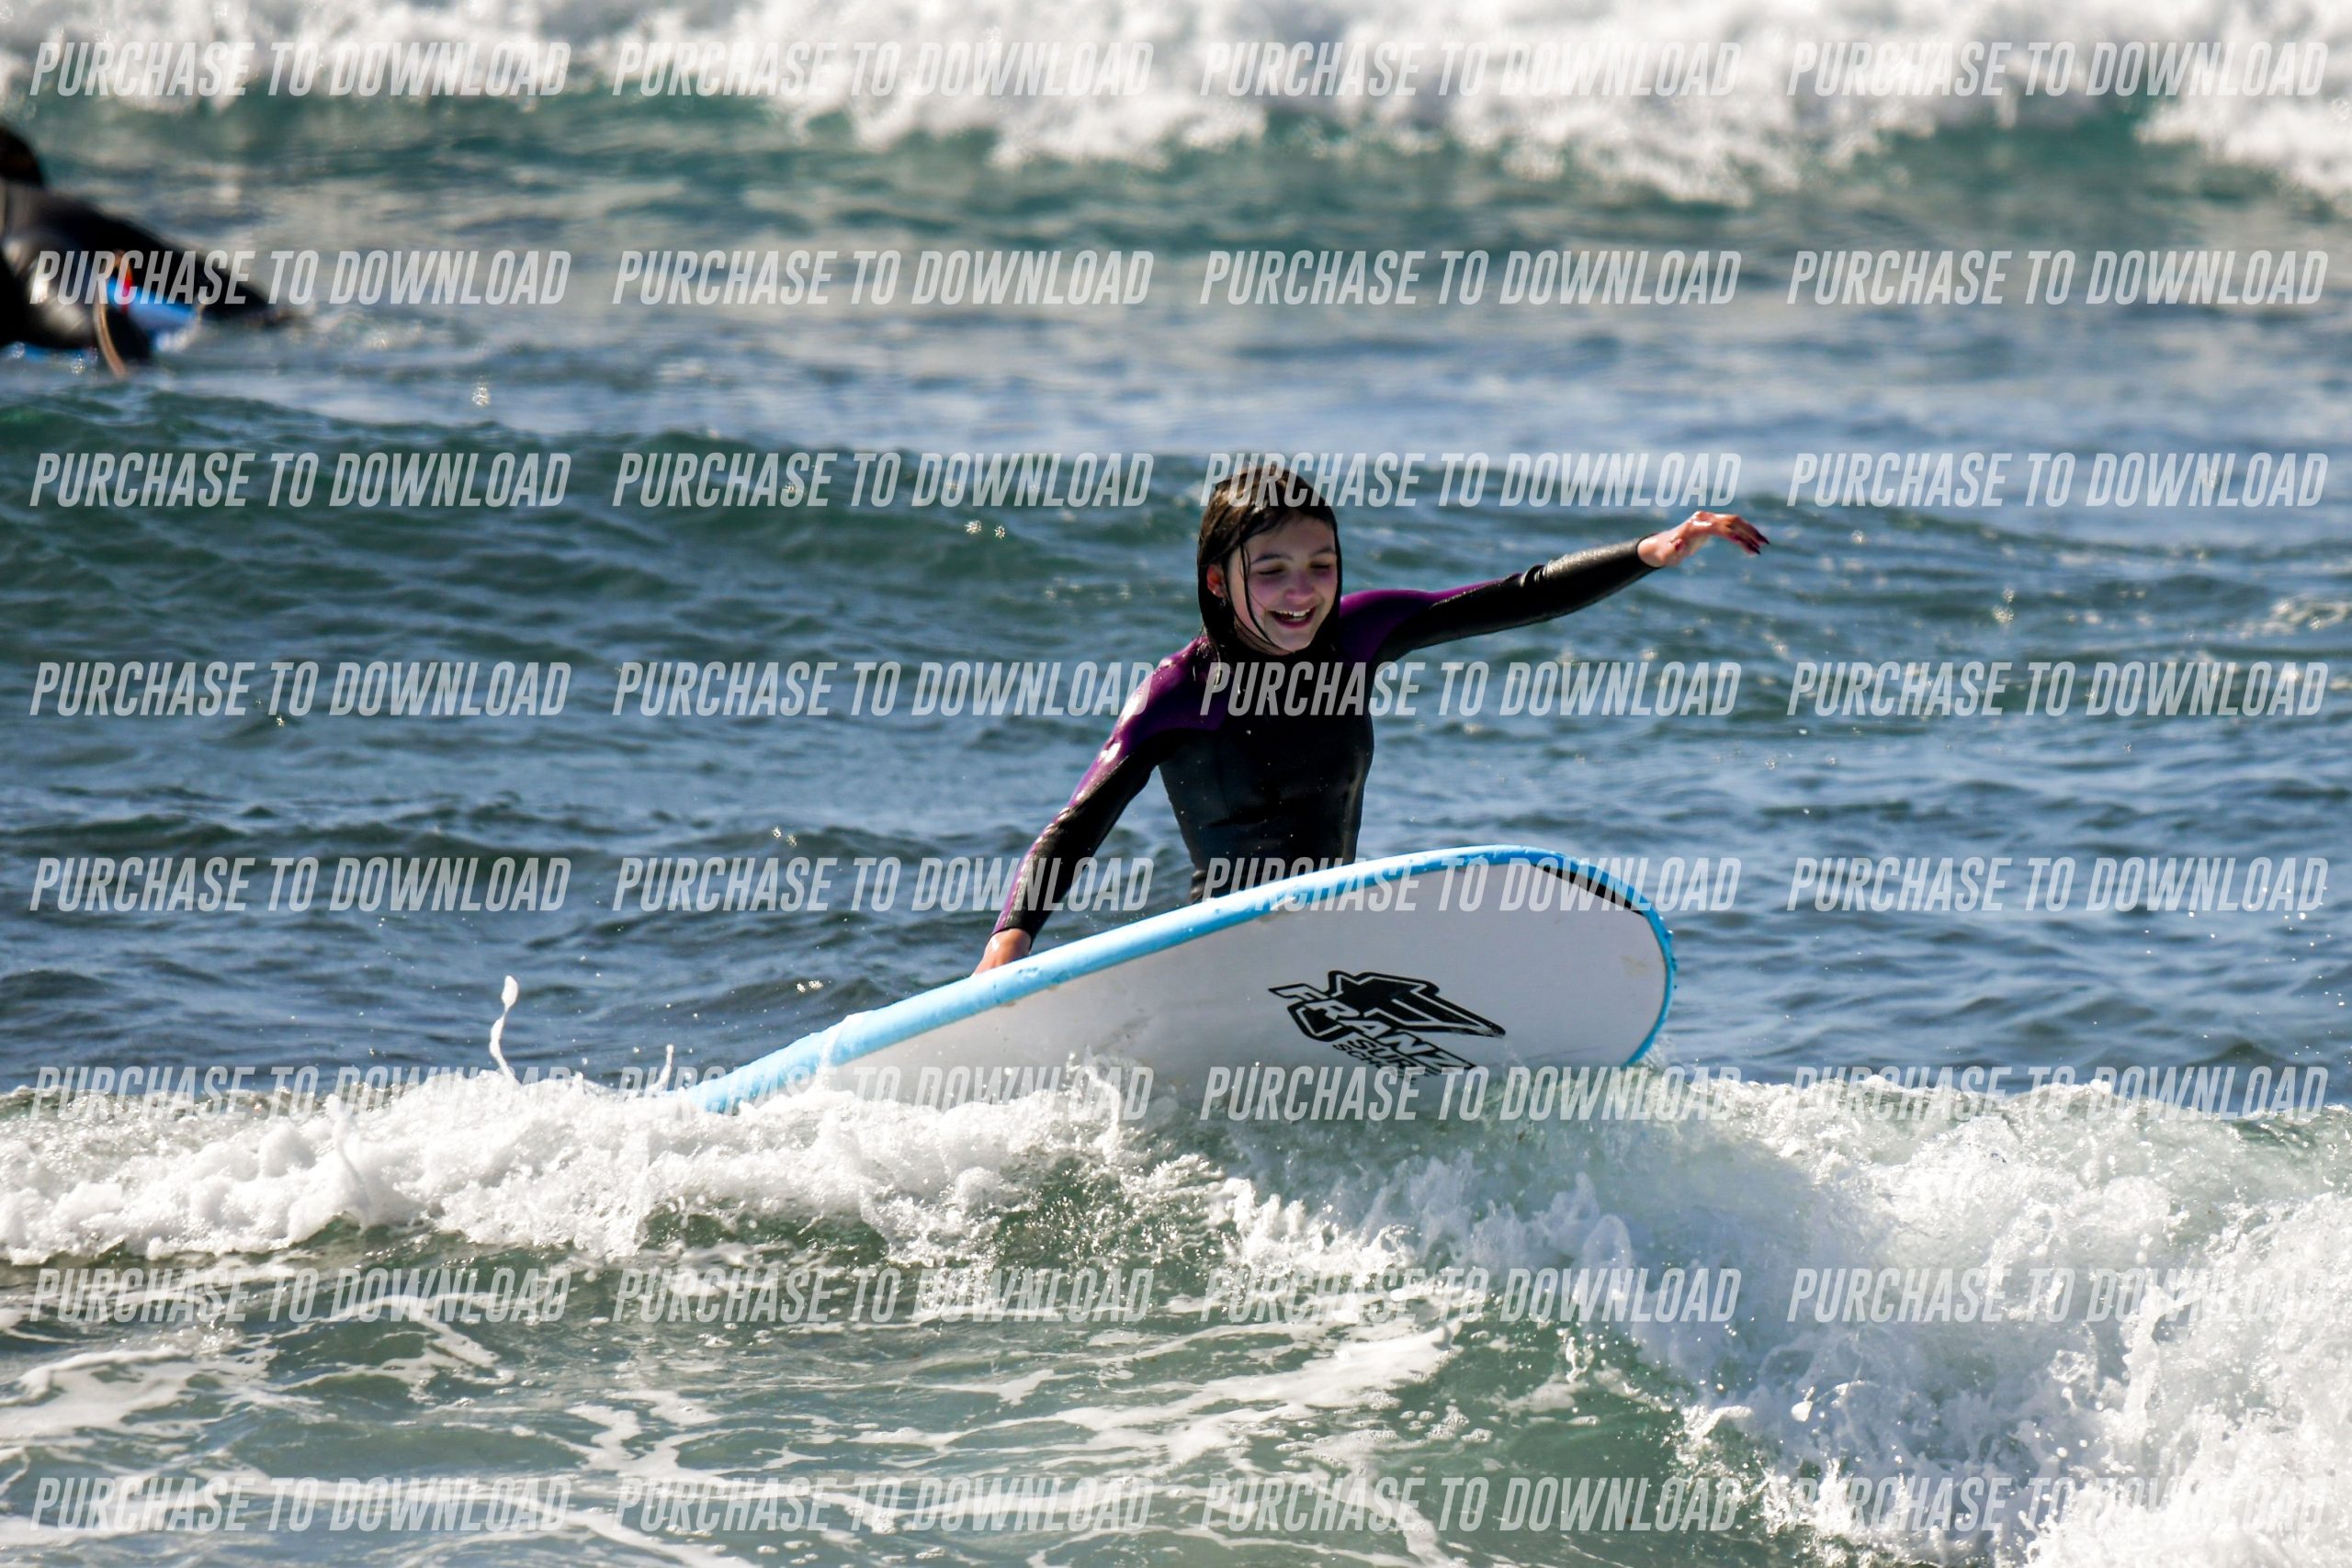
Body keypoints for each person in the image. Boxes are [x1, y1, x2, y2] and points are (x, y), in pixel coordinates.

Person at [975, 463, 1767, 973]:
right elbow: (1076, 826)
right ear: (1218, 581)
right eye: (1272, 571)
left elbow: (1517, 595)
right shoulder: (1178, 692)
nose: (1302, 592)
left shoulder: (1357, 636)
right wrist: (1011, 940)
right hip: (1223, 952)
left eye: (1320, 565)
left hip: (1334, 941)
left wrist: (1646, 553)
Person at [2, 124, 283, 369]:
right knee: (75, 319)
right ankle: (95, 330)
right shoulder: (53, 208)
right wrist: (260, 309)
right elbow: (179, 273)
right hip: (38, 261)